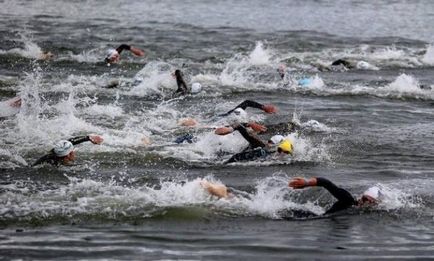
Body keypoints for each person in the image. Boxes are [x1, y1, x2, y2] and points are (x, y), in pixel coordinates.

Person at [288, 177, 382, 215]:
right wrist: (306, 183)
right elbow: (326, 183)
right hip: (306, 217)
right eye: (364, 198)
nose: (364, 202)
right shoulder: (348, 200)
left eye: (369, 201)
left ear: (375, 203)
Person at [215, 124, 293, 163]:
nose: (268, 143)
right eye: (269, 142)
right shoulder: (259, 144)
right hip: (228, 158)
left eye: (270, 142)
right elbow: (239, 126)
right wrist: (229, 130)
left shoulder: (277, 152)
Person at [33, 135, 103, 166]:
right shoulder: (55, 165)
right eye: (72, 151)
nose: (74, 152)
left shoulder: (57, 152)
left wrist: (88, 138)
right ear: (68, 155)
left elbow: (71, 141)